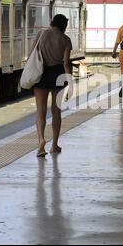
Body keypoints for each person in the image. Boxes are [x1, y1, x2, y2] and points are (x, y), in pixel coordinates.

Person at [33, 14, 72, 157]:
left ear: (52, 22)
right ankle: (54, 145)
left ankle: (41, 143)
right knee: (56, 111)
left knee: (40, 111)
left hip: (41, 73)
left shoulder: (41, 35)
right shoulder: (65, 39)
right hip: (58, 75)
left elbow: (33, 54)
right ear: (64, 25)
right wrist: (70, 82)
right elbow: (66, 63)